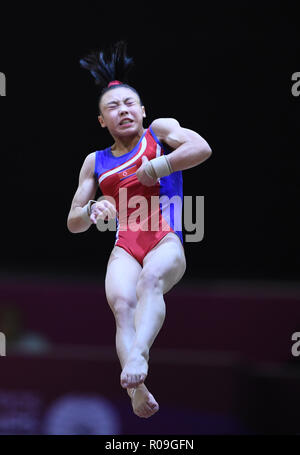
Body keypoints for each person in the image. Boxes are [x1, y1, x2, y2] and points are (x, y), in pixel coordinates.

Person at [67, 42, 212, 419]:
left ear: (143, 110)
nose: (123, 111)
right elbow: (73, 223)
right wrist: (92, 209)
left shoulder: (160, 132)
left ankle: (139, 354)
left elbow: (201, 148)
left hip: (165, 237)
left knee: (150, 282)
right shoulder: (94, 162)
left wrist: (159, 167)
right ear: (102, 121)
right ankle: (137, 389)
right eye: (112, 108)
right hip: (126, 242)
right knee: (122, 306)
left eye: (130, 103)